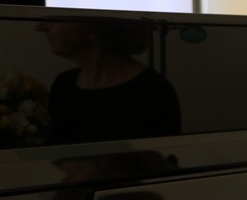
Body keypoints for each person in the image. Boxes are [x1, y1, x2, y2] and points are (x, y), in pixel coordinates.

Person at [36, 20, 181, 144]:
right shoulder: (63, 84)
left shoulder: (152, 91)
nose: (40, 27)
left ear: (93, 29)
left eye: (54, 21)